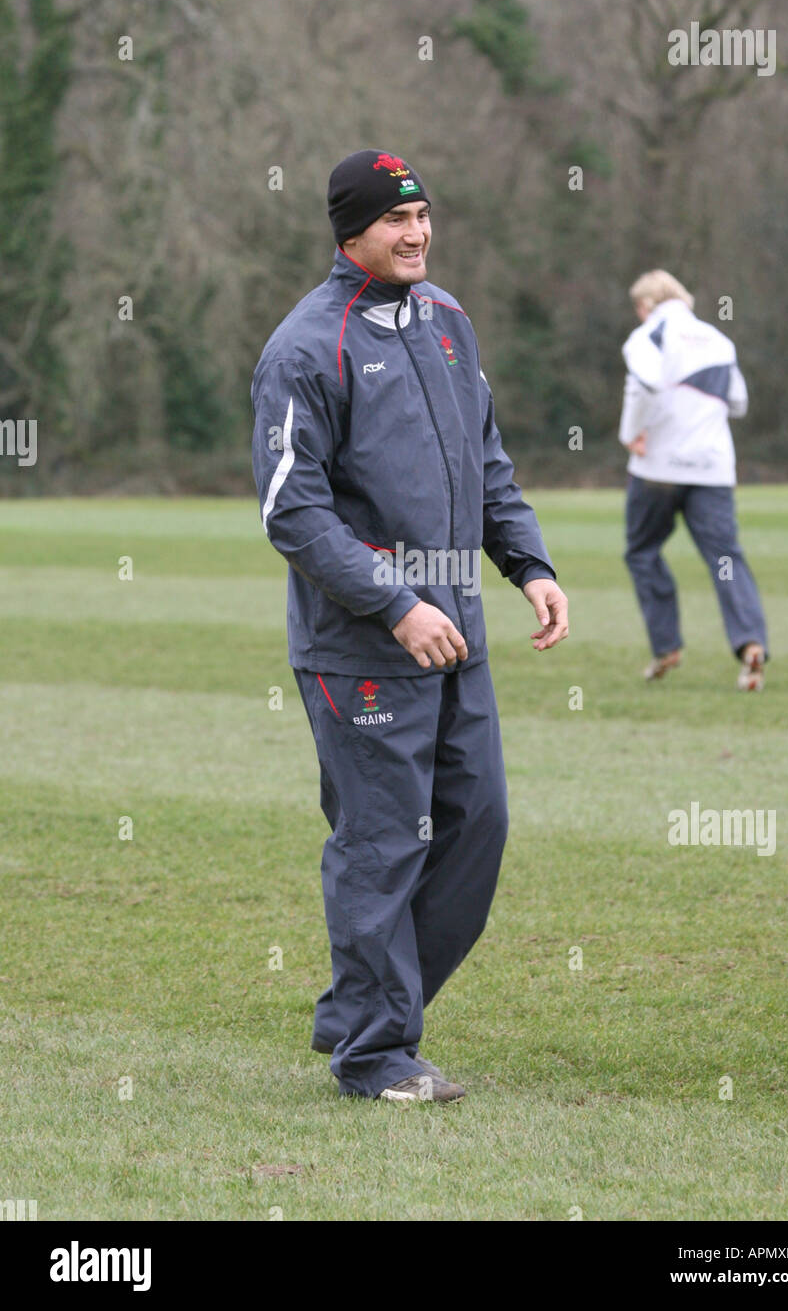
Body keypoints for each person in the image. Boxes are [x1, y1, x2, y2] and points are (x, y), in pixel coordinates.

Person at [251, 149, 568, 1103]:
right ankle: (377, 1054)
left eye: (424, 213)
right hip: (365, 651)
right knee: (383, 843)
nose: (417, 232)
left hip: (458, 635)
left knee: (478, 828)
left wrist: (529, 564)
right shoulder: (305, 347)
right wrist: (396, 603)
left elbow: (486, 459)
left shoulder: (448, 321)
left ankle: (362, 1012)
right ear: (350, 234)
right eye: (396, 220)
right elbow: (292, 513)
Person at [618, 269, 767, 690]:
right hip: (713, 468)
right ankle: (751, 644)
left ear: (645, 305)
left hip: (658, 469)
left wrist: (631, 434)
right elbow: (738, 402)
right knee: (725, 559)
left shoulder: (647, 336)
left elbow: (645, 383)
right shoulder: (720, 341)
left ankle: (666, 646)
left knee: (643, 552)